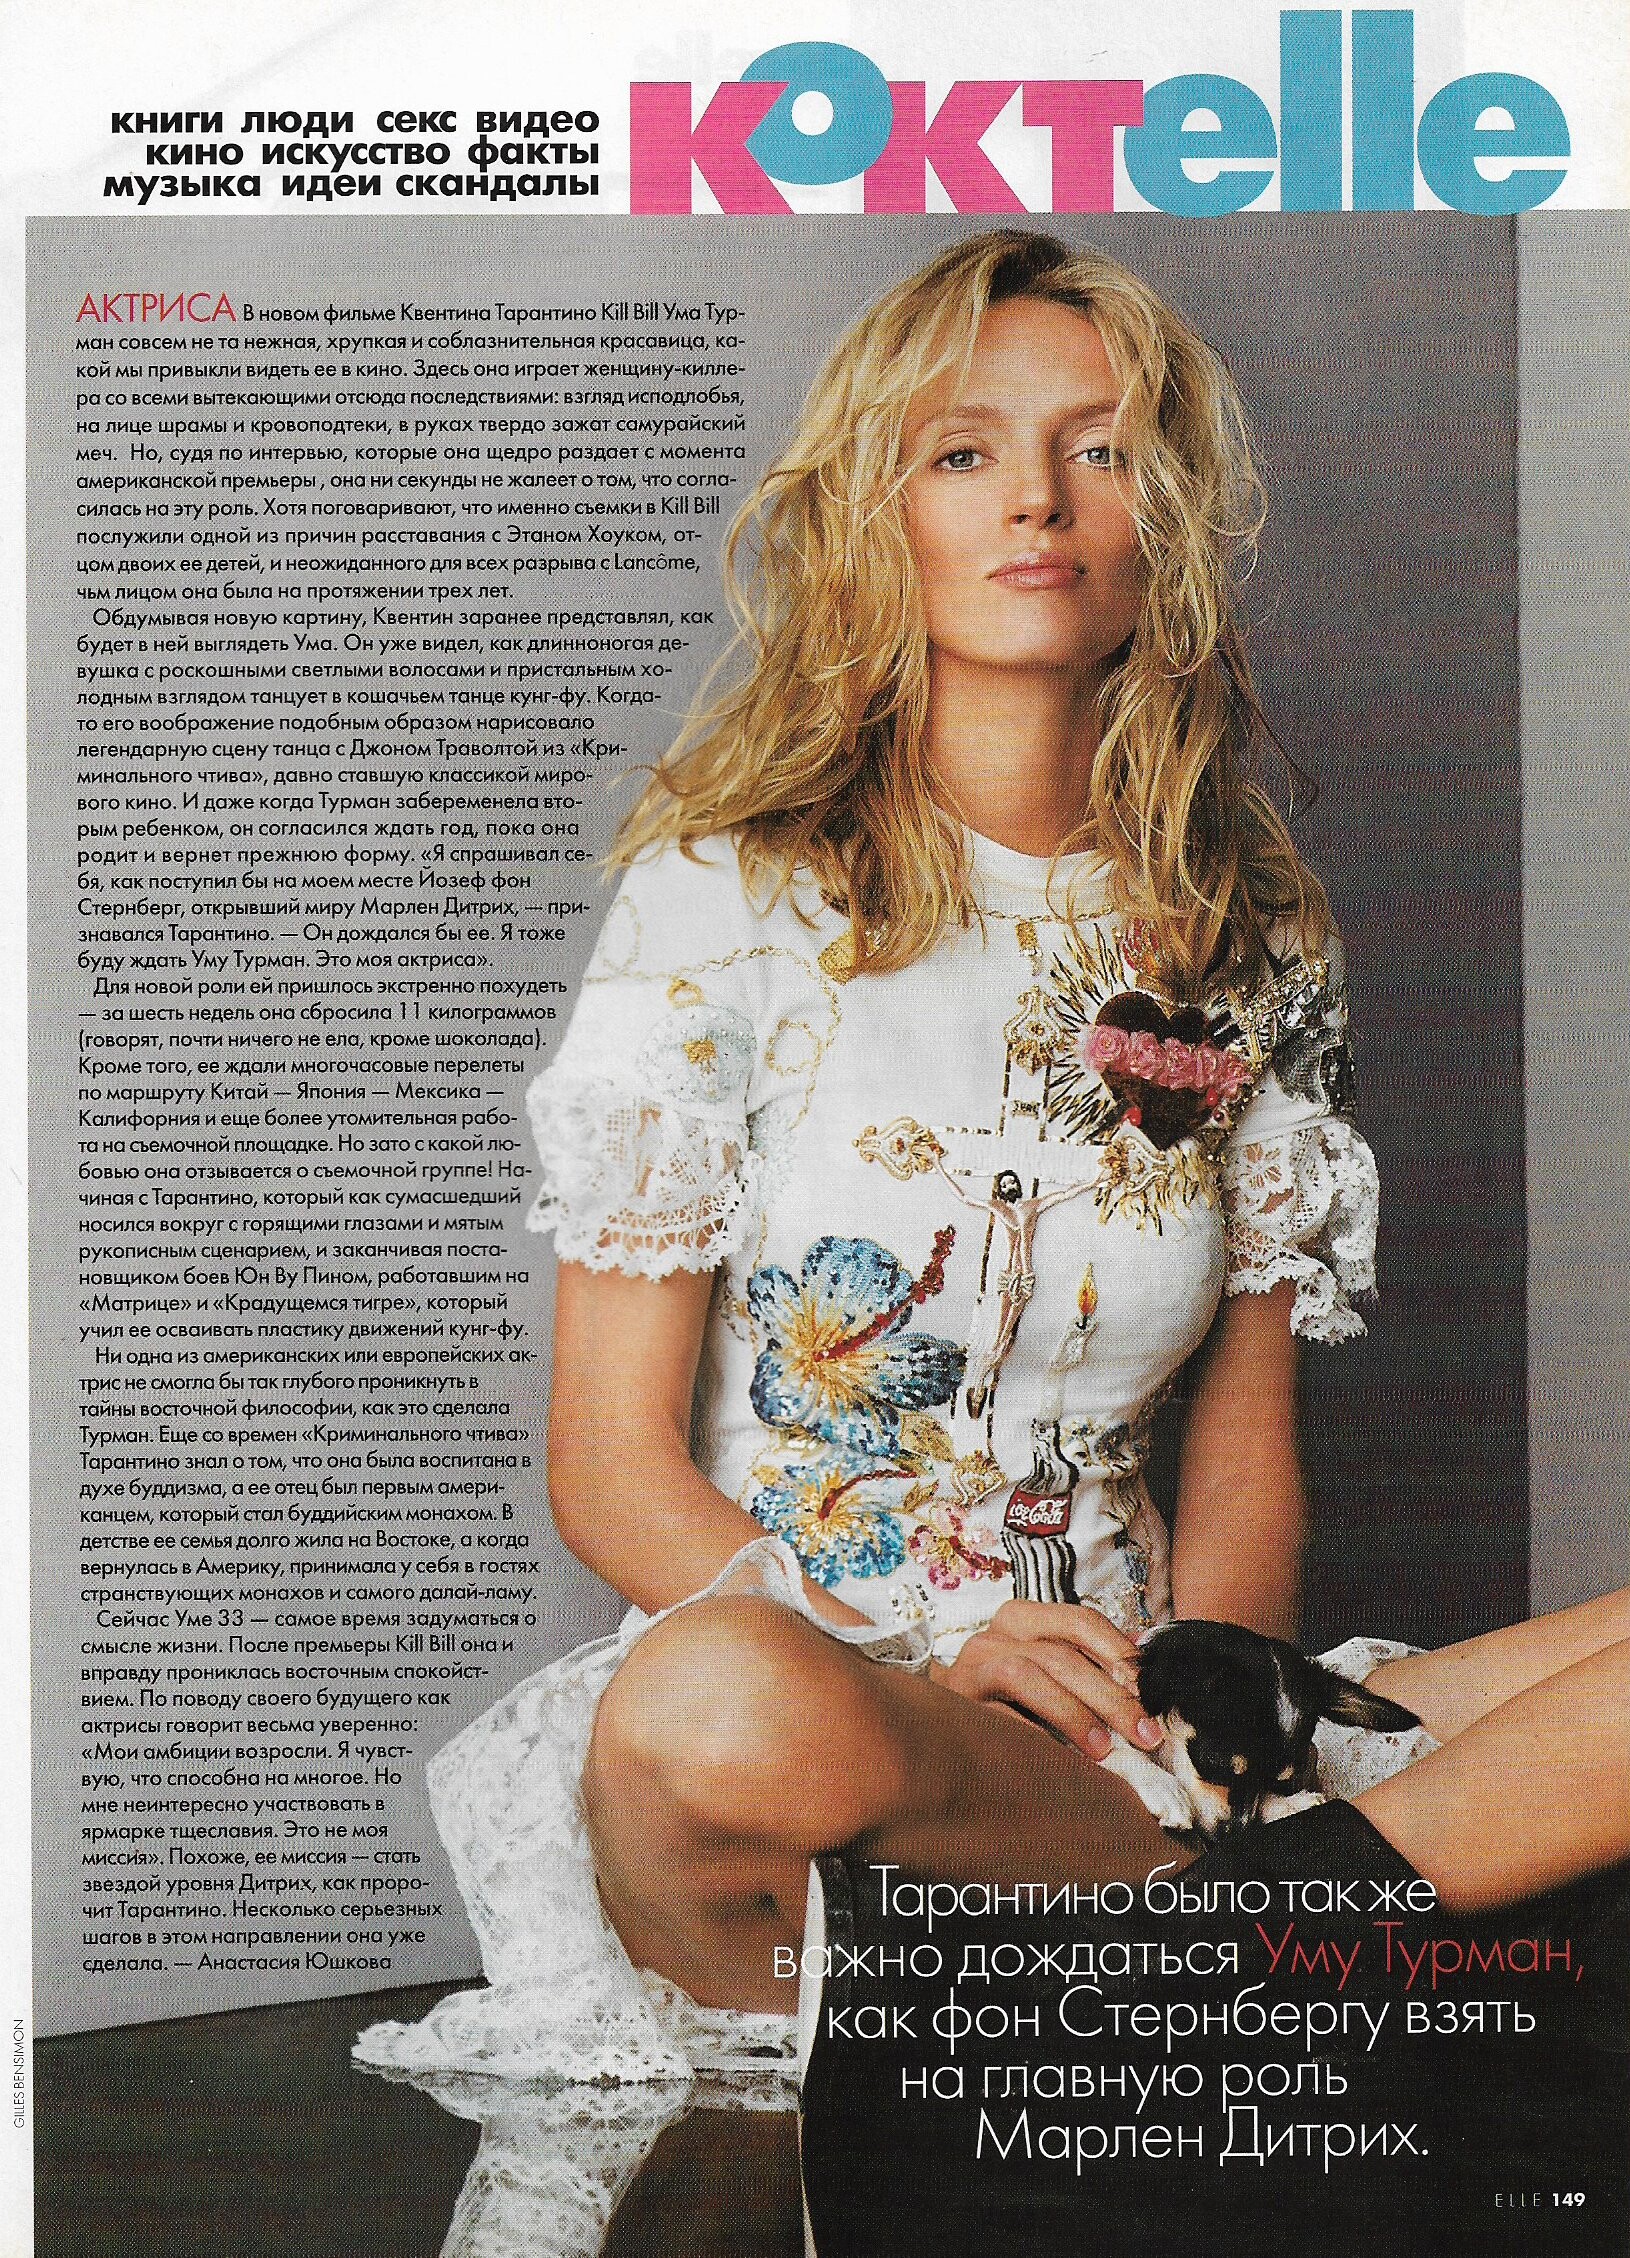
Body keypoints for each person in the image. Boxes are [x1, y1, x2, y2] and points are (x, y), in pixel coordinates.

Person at [355, 231, 1630, 2087]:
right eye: (962, 451)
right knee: (709, 1703)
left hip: (1151, 1729)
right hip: (850, 1718)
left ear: (1163, 520)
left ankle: (1230, 1918)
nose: (1035, 498)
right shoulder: (721, 896)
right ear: (877, 511)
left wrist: (1218, 1701)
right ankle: (1303, 1922)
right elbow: (609, 1467)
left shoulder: (1250, 928)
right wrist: (935, 1646)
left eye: (1096, 449)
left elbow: (1244, 1445)